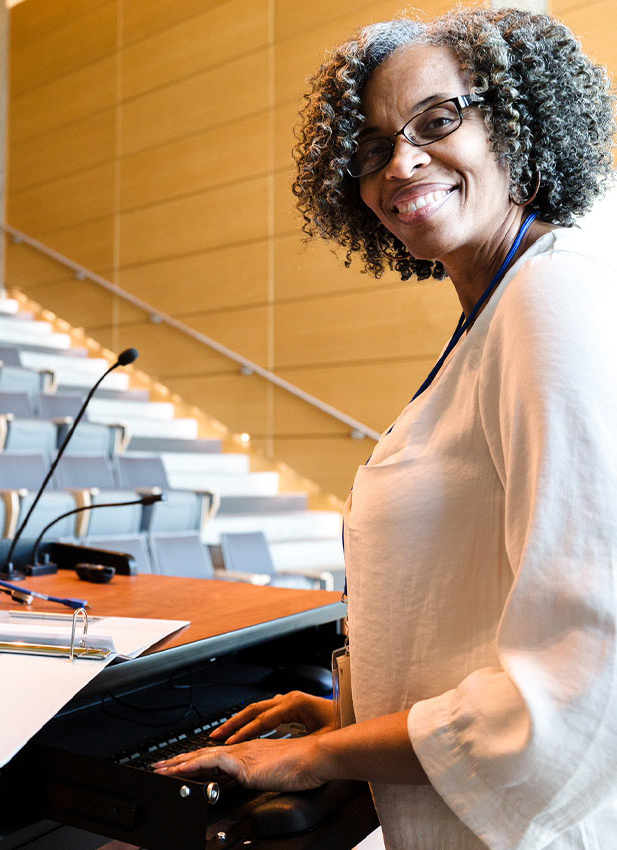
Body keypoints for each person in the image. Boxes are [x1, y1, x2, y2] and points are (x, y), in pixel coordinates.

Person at [153, 7, 617, 849]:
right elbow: (474, 610)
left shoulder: (550, 298)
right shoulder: (497, 309)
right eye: (371, 149)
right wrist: (350, 716)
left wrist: (319, 755)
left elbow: (589, 673)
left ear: (516, 124)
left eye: (438, 121)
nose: (401, 163)